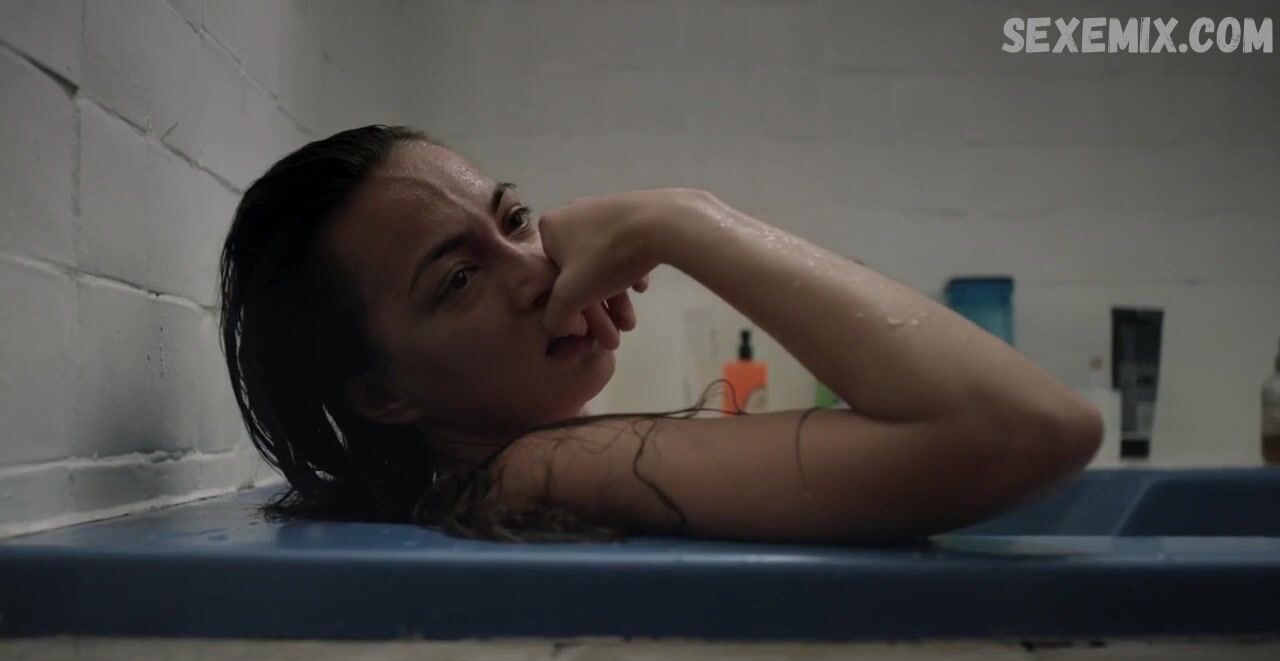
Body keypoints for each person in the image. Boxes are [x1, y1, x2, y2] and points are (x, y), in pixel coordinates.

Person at [218, 125, 1103, 544]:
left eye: (515, 220)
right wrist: (681, 220)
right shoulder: (536, 469)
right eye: (458, 279)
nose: (534, 270)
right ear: (383, 393)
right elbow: (1029, 428)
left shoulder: (498, 475)